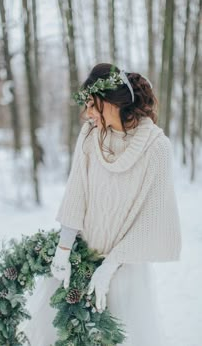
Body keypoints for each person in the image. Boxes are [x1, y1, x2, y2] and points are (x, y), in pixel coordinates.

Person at [20, 63, 182, 346]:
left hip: (124, 271)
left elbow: (153, 218)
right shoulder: (90, 136)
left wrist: (110, 266)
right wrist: (63, 249)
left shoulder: (157, 148)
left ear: (111, 102)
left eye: (92, 105)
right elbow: (76, 193)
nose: (87, 114)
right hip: (79, 261)